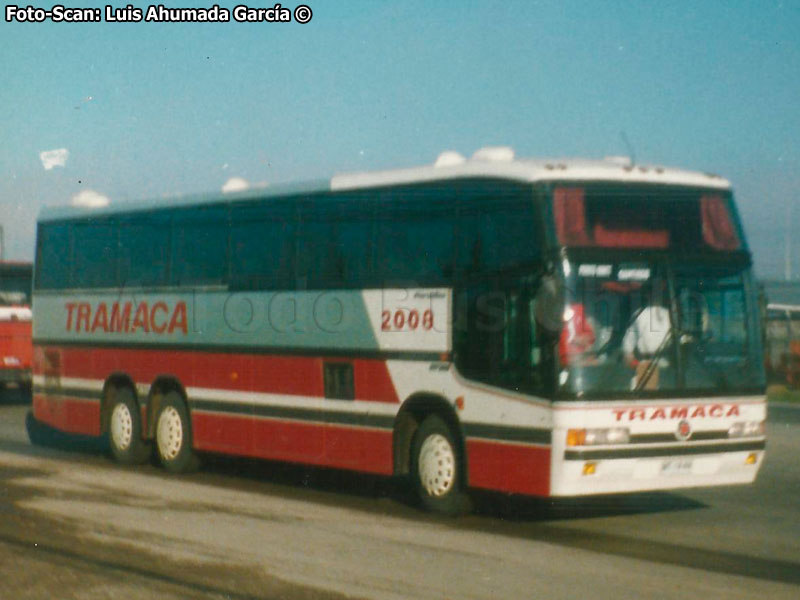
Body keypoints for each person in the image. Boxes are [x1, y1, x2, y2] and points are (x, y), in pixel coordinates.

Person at [622, 292, 672, 390]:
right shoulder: (639, 313)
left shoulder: (669, 314)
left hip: (666, 365)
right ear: (647, 295)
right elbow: (629, 341)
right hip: (644, 366)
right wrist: (629, 355)